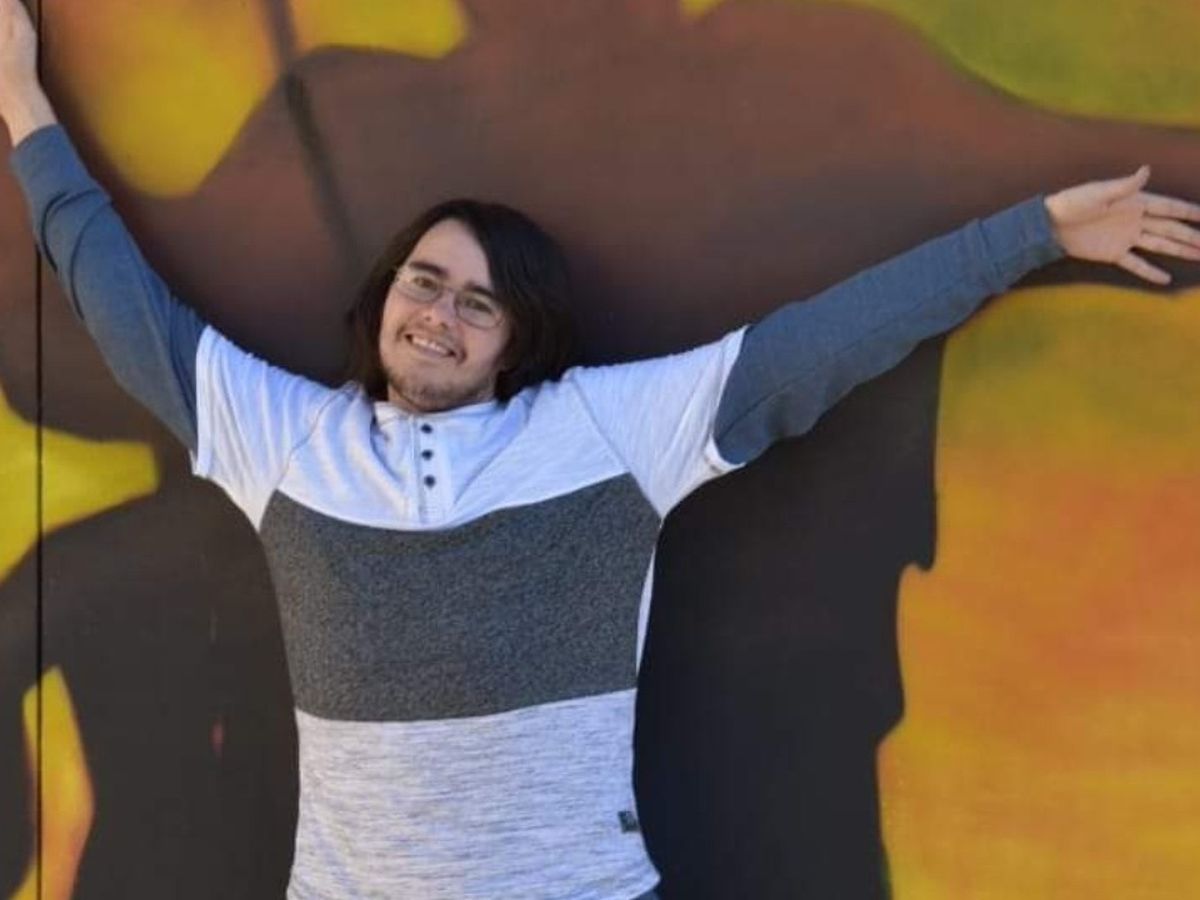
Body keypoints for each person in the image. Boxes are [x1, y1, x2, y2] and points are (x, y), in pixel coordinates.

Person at [4, 1, 1200, 897]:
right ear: (381, 301)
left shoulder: (604, 431)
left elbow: (829, 340)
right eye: (424, 281)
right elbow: (108, 294)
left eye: (480, 302)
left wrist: (1035, 233)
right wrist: (21, 105)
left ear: (519, 343)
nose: (440, 313)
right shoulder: (287, 436)